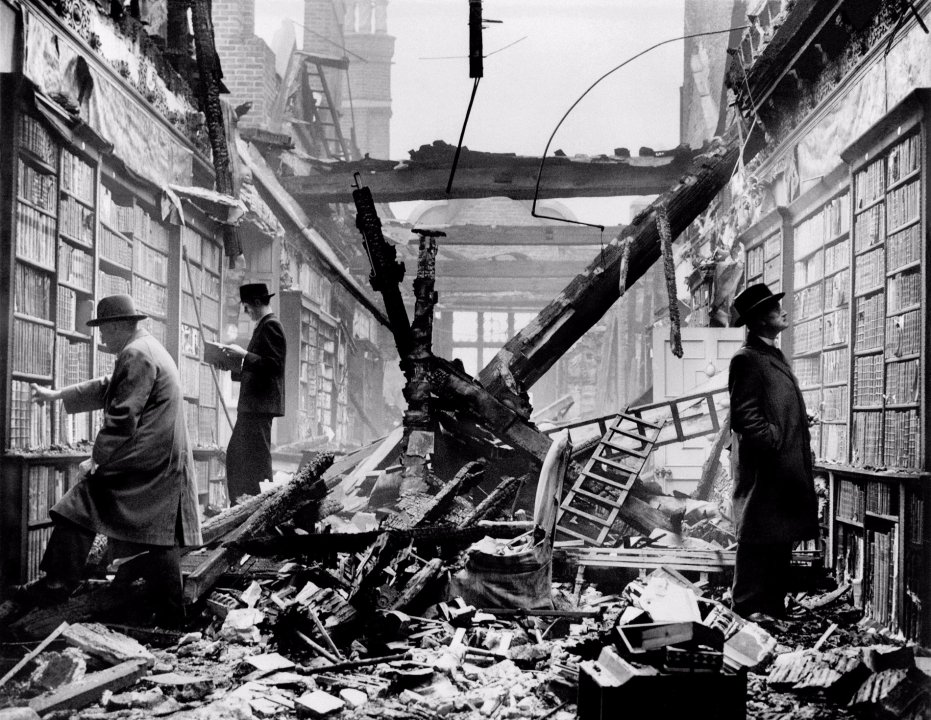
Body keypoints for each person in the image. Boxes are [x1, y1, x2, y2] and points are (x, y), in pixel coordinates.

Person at [20, 294, 202, 623]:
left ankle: (57, 585)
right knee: (159, 536)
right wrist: (58, 394)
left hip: (149, 460)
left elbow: (122, 416)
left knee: (81, 501)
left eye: (104, 330)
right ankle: (173, 619)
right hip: (162, 459)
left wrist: (97, 459)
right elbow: (109, 386)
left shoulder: (136, 353)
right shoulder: (145, 347)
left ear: (118, 326)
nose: (102, 338)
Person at [728, 283, 819, 619]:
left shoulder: (771, 355)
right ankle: (747, 606)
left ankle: (773, 606)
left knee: (779, 535)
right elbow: (745, 416)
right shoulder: (746, 359)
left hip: (782, 466)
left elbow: (772, 404)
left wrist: (797, 419)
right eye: (774, 308)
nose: (783, 311)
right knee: (756, 536)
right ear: (759, 320)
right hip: (765, 466)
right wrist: (774, 439)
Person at [223, 283, 286, 503]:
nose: (246, 311)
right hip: (254, 407)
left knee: (255, 460)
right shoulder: (264, 326)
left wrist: (244, 355)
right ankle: (244, 503)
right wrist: (232, 365)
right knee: (241, 458)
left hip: (259, 407)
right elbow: (260, 368)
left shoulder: (271, 326)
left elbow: (274, 366)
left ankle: (262, 504)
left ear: (257, 303)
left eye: (247, 307)